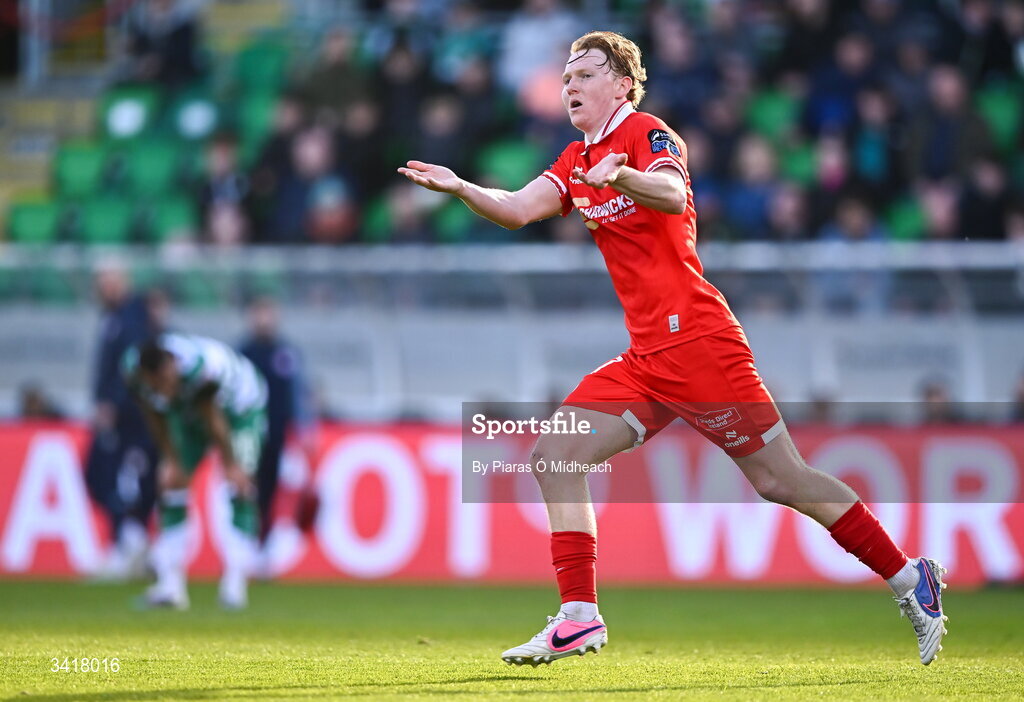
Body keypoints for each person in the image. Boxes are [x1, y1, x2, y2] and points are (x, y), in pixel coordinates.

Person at [399, 31, 948, 667]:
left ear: (621, 84)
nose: (569, 86)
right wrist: (464, 187)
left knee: (782, 480)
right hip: (645, 360)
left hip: (700, 344)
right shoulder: (577, 156)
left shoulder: (649, 134)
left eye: (584, 75)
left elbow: (674, 193)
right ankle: (578, 617)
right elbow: (520, 209)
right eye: (566, 76)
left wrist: (623, 174)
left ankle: (911, 579)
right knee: (554, 454)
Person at [122, 333, 267, 610]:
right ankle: (170, 587)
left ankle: (235, 585)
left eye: (164, 382)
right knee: (171, 480)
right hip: (188, 409)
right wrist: (170, 457)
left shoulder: (201, 369)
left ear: (172, 365)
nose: (161, 389)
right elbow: (154, 414)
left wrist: (231, 464)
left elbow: (213, 419)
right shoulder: (134, 372)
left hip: (240, 408)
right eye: (156, 386)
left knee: (239, 485)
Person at [84, 264, 162, 580]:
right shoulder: (116, 318)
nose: (104, 287)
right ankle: (133, 543)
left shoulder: (130, 319)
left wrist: (113, 403)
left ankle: (128, 545)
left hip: (130, 417)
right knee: (114, 479)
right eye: (101, 280)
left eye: (109, 280)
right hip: (125, 415)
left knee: (117, 478)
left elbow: (131, 367)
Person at [238, 297, 316, 552]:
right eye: (259, 313)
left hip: (276, 432)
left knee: (270, 488)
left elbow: (298, 393)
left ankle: (262, 543)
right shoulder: (242, 353)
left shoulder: (286, 353)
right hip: (247, 433)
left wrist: (305, 429)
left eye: (268, 313)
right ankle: (244, 543)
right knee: (245, 486)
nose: (264, 319)